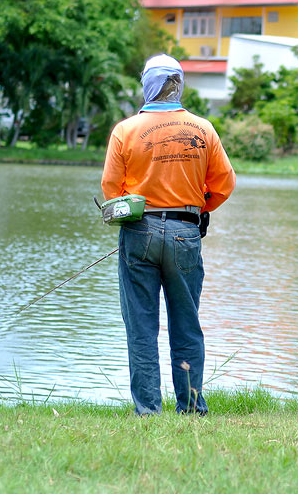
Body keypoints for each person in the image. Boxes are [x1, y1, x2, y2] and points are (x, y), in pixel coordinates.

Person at [101, 54, 236, 416]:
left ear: (148, 85)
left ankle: (148, 410)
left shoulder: (126, 131)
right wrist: (199, 209)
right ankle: (191, 408)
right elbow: (224, 184)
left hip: (138, 233)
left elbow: (112, 192)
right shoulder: (203, 129)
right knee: (186, 324)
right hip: (185, 233)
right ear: (179, 83)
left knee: (142, 326)